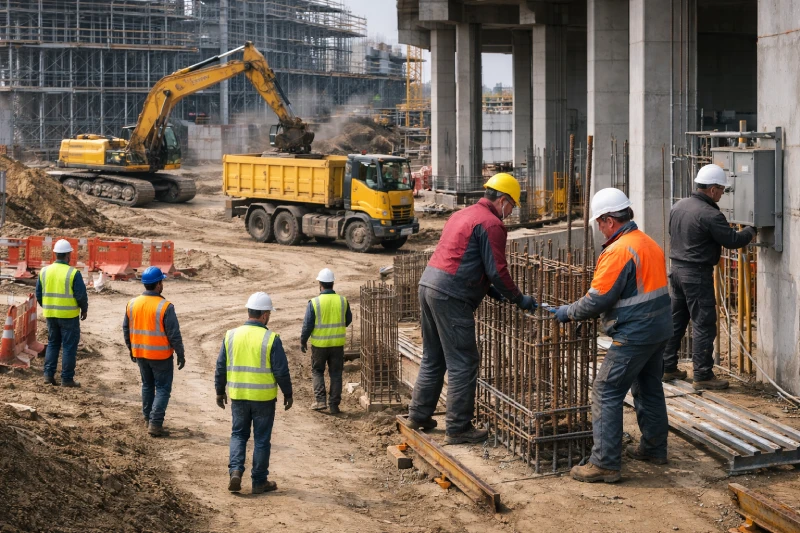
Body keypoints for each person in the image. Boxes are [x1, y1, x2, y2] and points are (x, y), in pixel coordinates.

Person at [405, 173, 538, 444]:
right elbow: (497, 270)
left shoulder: (461, 215)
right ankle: (458, 428)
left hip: (429, 285)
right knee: (464, 362)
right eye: (512, 206)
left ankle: (418, 415)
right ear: (503, 200)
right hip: (450, 296)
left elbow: (465, 259)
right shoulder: (492, 224)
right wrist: (518, 298)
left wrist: (490, 291)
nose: (511, 212)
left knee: (434, 357)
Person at [553, 188, 672, 483]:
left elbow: (598, 299)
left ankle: (605, 462)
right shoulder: (647, 242)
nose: (598, 228)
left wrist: (568, 312)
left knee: (606, 390)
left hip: (635, 333)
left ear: (609, 220)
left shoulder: (619, 251)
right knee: (648, 386)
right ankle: (655, 449)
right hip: (659, 328)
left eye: (599, 222)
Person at [662, 164, 756, 390]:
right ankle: (703, 375)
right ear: (713, 189)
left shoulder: (678, 206)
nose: (722, 194)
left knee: (676, 321)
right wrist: (752, 230)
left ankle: (666, 367)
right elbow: (732, 240)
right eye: (722, 190)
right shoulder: (711, 214)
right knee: (703, 324)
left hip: (676, 271)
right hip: (697, 275)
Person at [215, 292, 293, 494]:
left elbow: (221, 366)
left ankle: (235, 471)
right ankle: (259, 481)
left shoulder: (231, 335)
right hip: (263, 399)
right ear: (265, 315)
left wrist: (219, 391)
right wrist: (288, 393)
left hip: (238, 395)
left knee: (238, 435)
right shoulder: (271, 338)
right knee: (261, 439)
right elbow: (281, 371)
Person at [122, 266, 186, 437]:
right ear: (158, 284)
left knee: (147, 385)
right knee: (163, 388)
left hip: (140, 353)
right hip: (160, 356)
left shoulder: (132, 303)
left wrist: (131, 348)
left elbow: (126, 329)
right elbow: (174, 334)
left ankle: (147, 418)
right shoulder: (165, 306)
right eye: (161, 282)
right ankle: (155, 424)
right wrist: (180, 353)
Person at [36, 239, 88, 387]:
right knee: (69, 347)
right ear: (68, 255)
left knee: (53, 343)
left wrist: (47, 306)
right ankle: (67, 379)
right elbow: (81, 295)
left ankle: (48, 376)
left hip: (51, 314)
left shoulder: (44, 271)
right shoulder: (73, 273)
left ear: (55, 254)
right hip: (69, 316)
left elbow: (39, 294)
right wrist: (84, 309)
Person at [300, 268, 352, 414]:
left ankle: (320, 401)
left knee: (317, 371)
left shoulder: (314, 303)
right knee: (336, 373)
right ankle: (334, 405)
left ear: (320, 284)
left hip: (319, 346)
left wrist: (303, 341)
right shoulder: (342, 301)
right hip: (337, 345)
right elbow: (348, 320)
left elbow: (307, 325)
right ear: (332, 283)